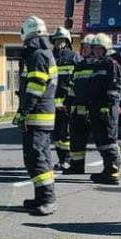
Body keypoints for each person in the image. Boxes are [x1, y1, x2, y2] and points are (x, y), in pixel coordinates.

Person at [14, 16, 59, 215]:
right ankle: (40, 196)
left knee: (38, 157)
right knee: (35, 157)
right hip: (39, 115)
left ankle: (48, 199)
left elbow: (35, 88)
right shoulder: (41, 54)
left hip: (38, 115)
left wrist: (24, 111)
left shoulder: (38, 56)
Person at [88, 34, 121, 184]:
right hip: (97, 109)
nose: (95, 51)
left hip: (107, 110)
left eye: (98, 49)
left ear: (105, 49)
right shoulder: (98, 65)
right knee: (101, 140)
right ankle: (107, 169)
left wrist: (106, 106)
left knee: (109, 140)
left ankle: (113, 171)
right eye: (94, 49)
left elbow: (114, 90)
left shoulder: (112, 64)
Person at [64, 34, 97, 175]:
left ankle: (110, 168)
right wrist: (68, 103)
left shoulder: (101, 65)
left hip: (94, 111)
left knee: (103, 142)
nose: (84, 49)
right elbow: (73, 87)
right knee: (76, 141)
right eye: (83, 46)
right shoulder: (79, 66)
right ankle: (76, 166)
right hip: (77, 111)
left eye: (87, 46)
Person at [50, 27, 80, 170]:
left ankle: (68, 159)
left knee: (66, 133)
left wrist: (73, 98)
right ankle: (62, 159)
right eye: (56, 40)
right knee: (56, 134)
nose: (59, 43)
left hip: (68, 103)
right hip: (51, 103)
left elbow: (80, 79)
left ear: (67, 42)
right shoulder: (49, 58)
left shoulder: (74, 57)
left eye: (61, 40)